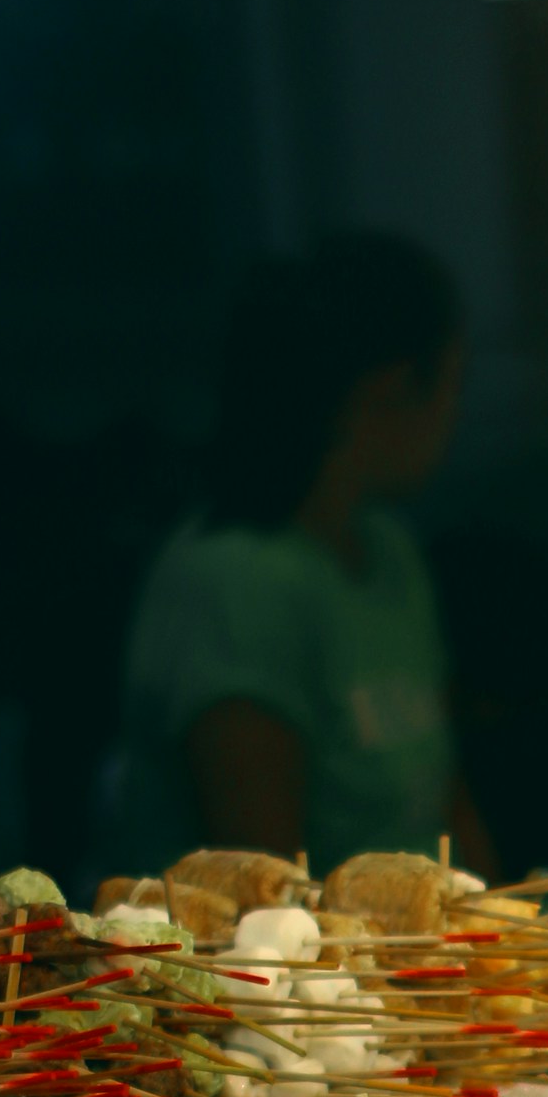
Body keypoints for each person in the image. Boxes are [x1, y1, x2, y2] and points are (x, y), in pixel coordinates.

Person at [109, 232, 484, 881]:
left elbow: (445, 803)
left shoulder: (390, 553)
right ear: (391, 390)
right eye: (451, 383)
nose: (456, 413)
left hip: (438, 956)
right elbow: (261, 874)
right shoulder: (235, 580)